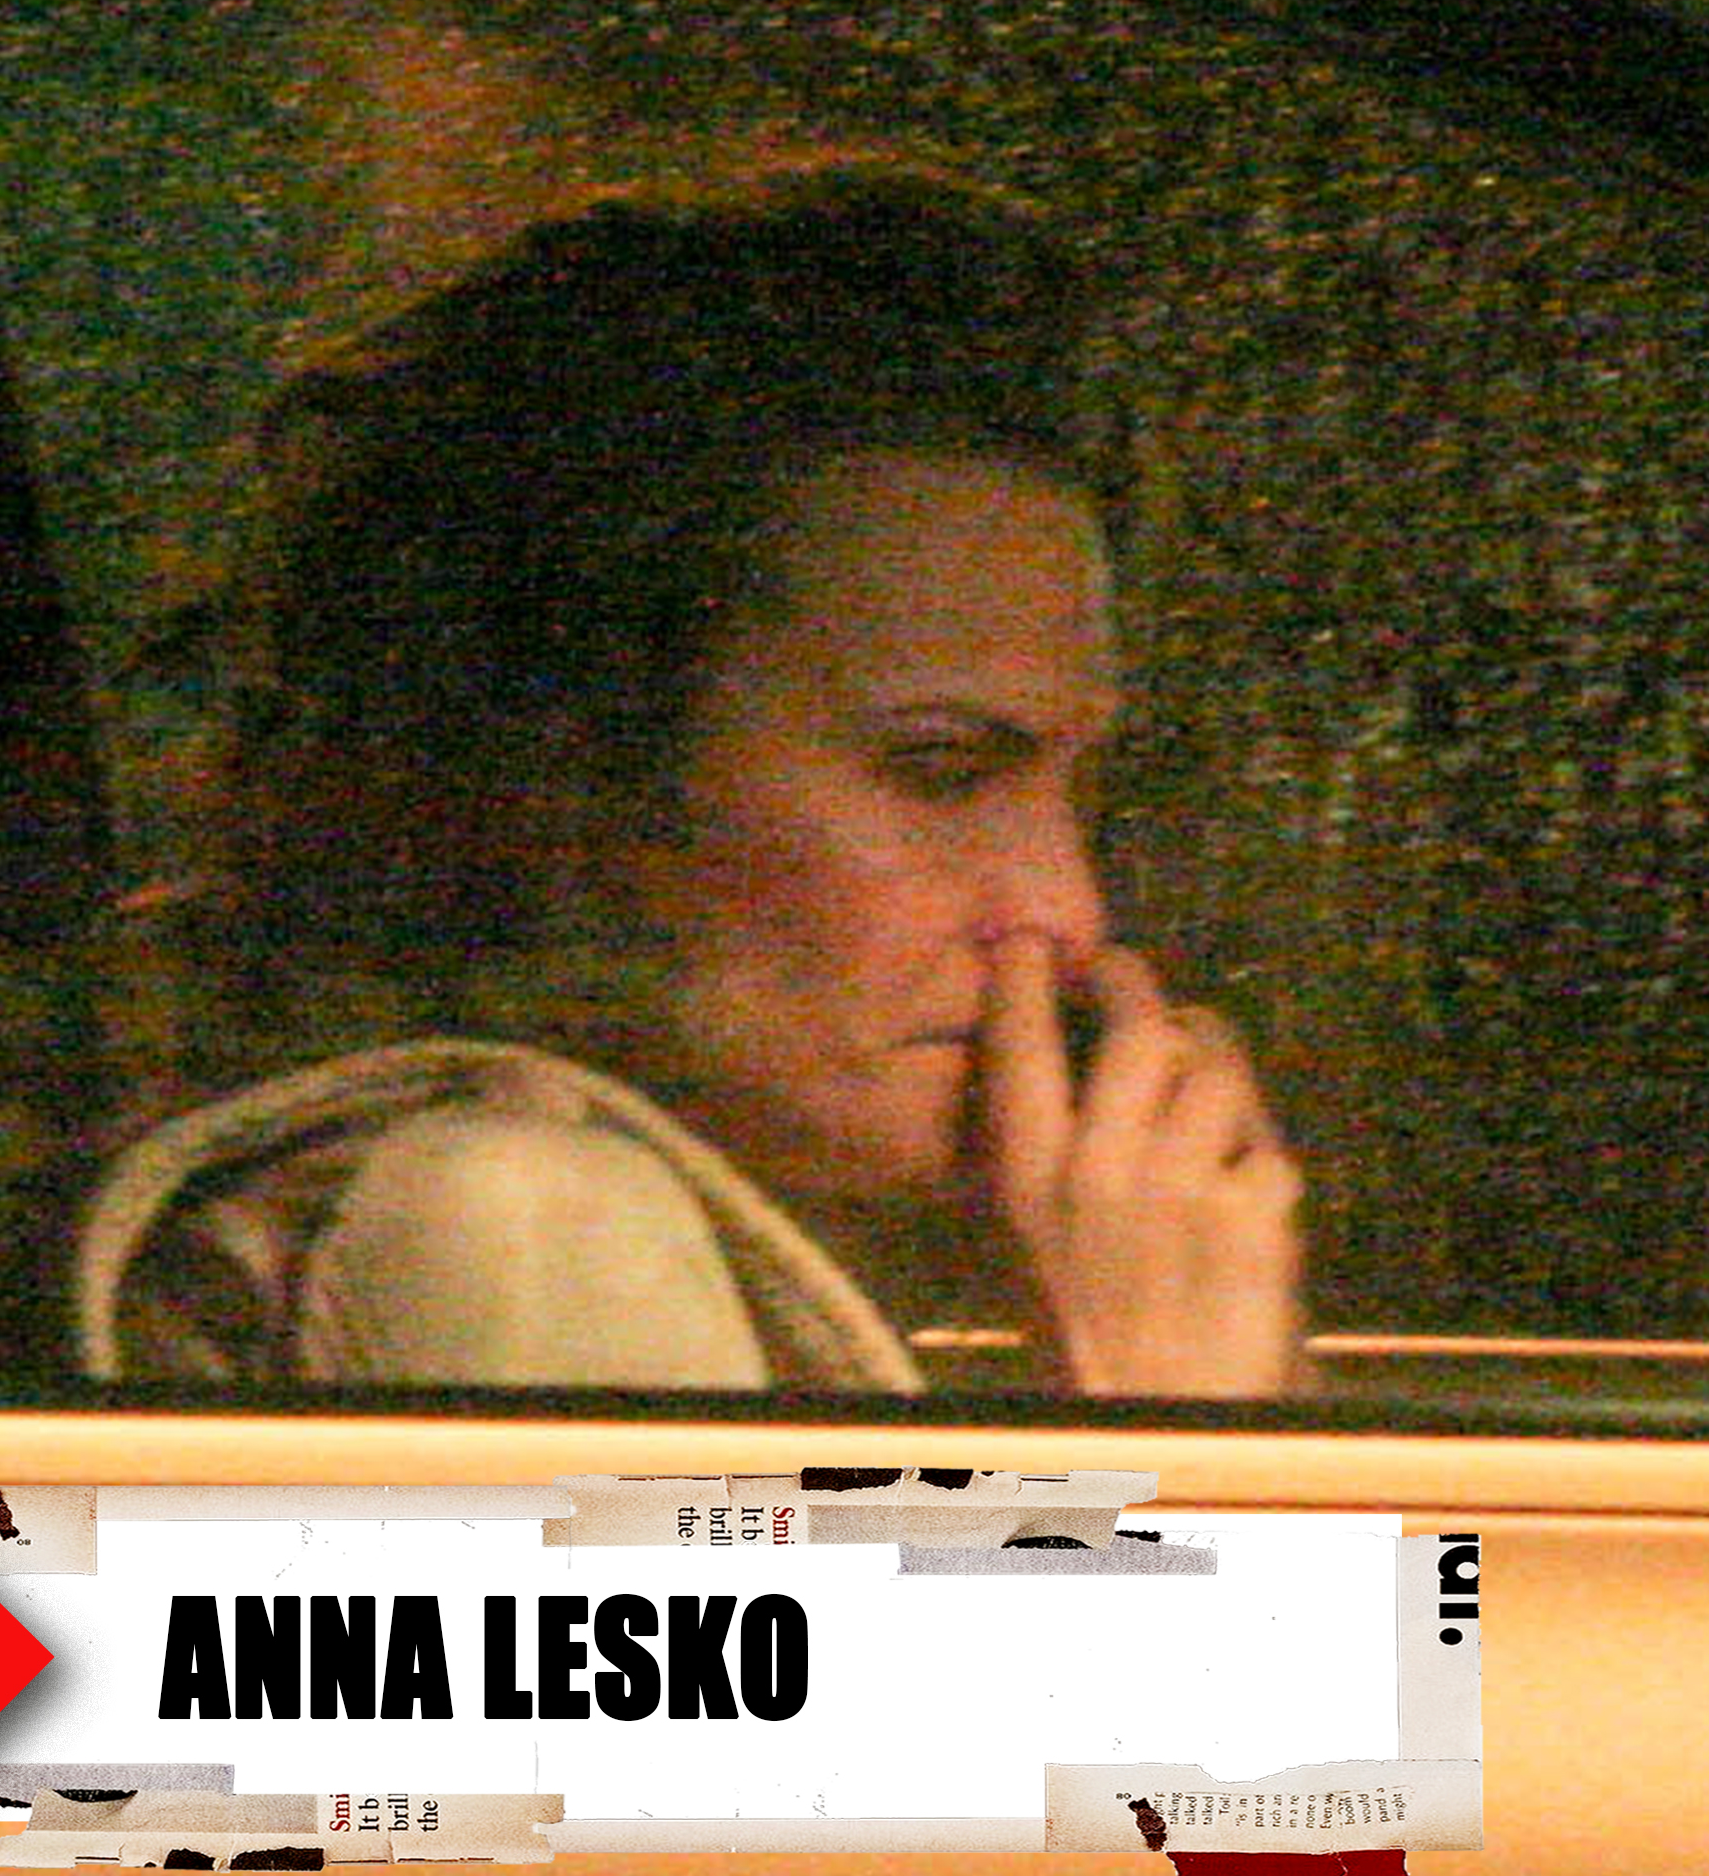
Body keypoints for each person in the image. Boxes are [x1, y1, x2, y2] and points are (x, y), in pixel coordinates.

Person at [80, 164, 1303, 1397]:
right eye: (935, 771)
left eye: (1077, 793)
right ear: (570, 780)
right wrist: (1169, 1411)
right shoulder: (523, 1224)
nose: (1065, 914)